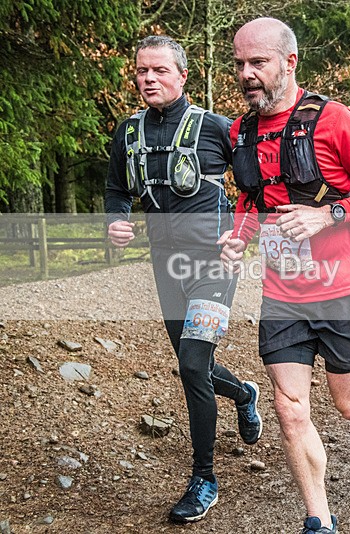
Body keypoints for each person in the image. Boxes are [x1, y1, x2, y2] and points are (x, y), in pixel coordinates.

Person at [218, 18, 350, 534]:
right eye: (239, 64)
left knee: (349, 405)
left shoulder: (333, 120)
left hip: (343, 286)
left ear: (289, 62)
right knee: (289, 407)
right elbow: (252, 197)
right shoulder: (243, 130)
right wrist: (240, 235)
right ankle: (319, 520)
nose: (246, 74)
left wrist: (329, 215)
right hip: (282, 293)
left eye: (258, 62)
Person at [105, 35, 262, 523]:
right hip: (165, 268)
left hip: (214, 267)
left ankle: (204, 478)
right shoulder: (127, 132)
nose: (148, 79)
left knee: (193, 364)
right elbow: (116, 189)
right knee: (194, 364)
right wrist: (116, 220)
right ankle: (242, 393)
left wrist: (241, 238)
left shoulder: (217, 129)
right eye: (141, 72)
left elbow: (256, 189)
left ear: (182, 76)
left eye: (159, 71)